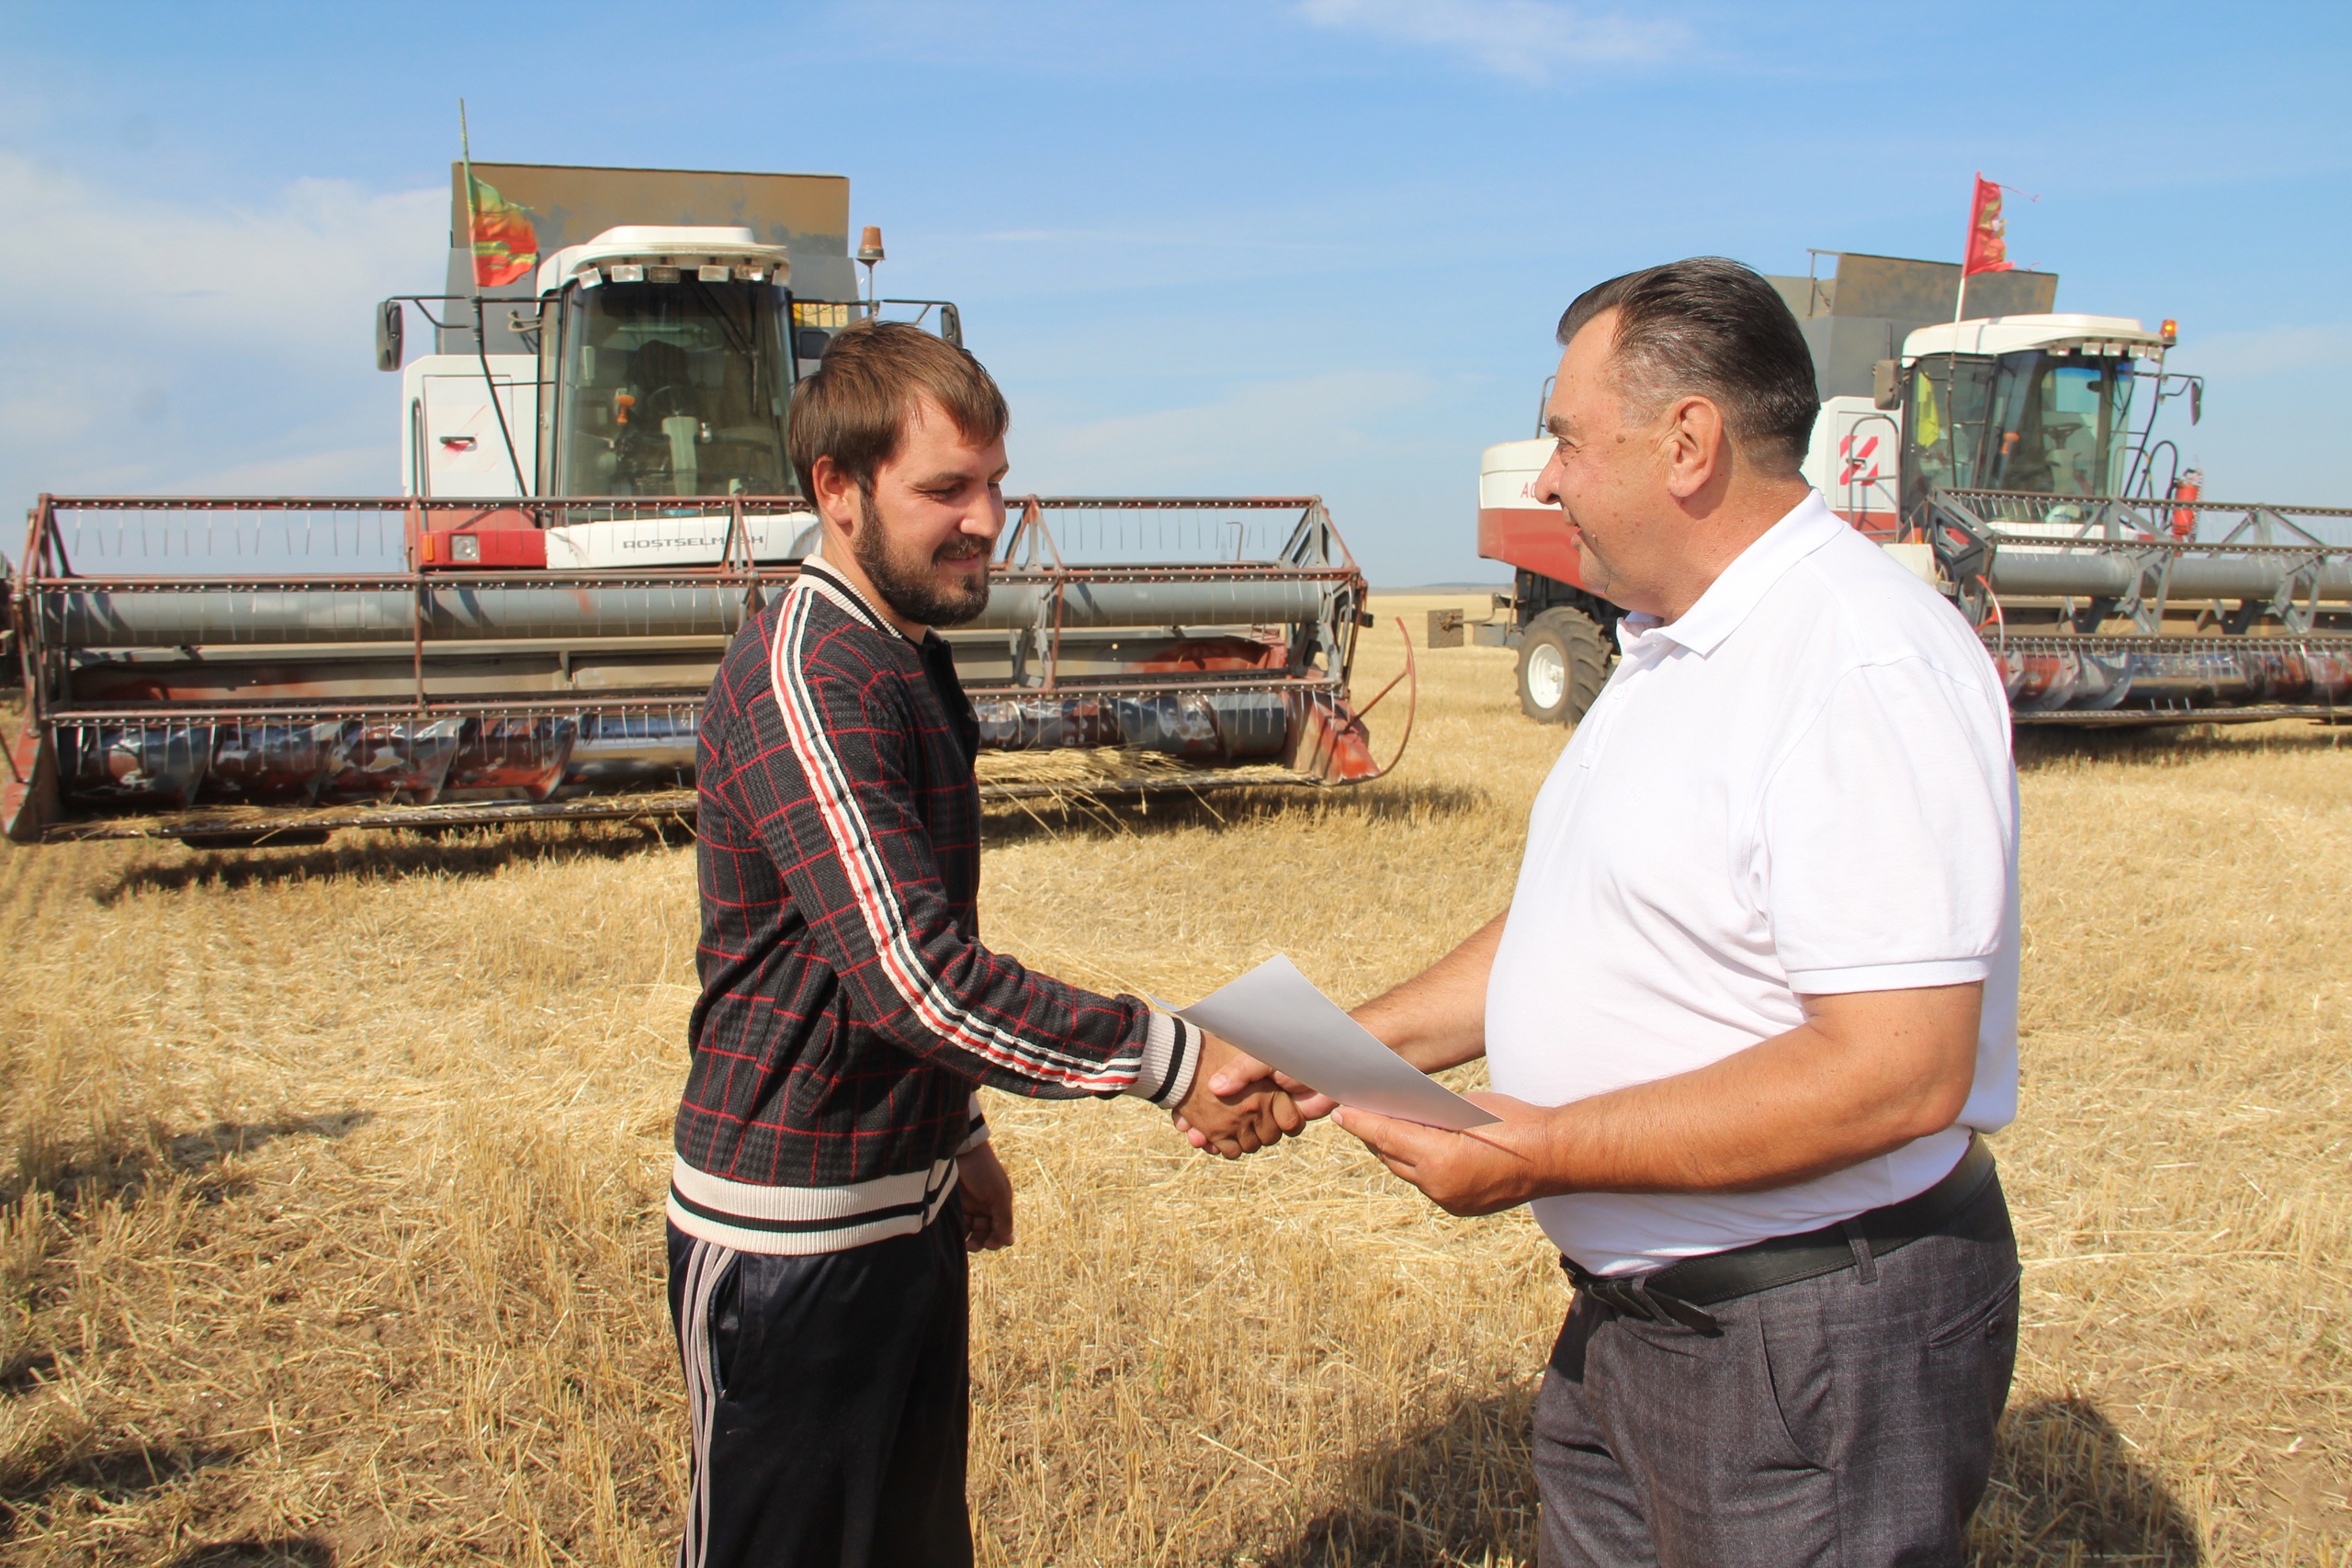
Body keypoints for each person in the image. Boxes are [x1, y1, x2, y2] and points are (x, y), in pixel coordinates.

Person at [1200, 258, 2022, 1565]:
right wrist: (1330, 1048)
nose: (1548, 480)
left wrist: (1543, 1153)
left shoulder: (1855, 663)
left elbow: (1896, 1074)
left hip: (1807, 1344)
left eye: (1570, 439)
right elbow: (1584, 932)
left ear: (1686, 441)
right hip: (1642, 1324)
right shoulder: (1673, 649)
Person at [670, 319, 1299, 1568]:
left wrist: (955, 1137)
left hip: (900, 1215)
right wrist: (1176, 1059)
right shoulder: (812, 674)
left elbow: (909, 947)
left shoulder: (907, 662)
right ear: (837, 493)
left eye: (998, 484)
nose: (986, 519)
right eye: (947, 488)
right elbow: (916, 980)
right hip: (789, 1242)